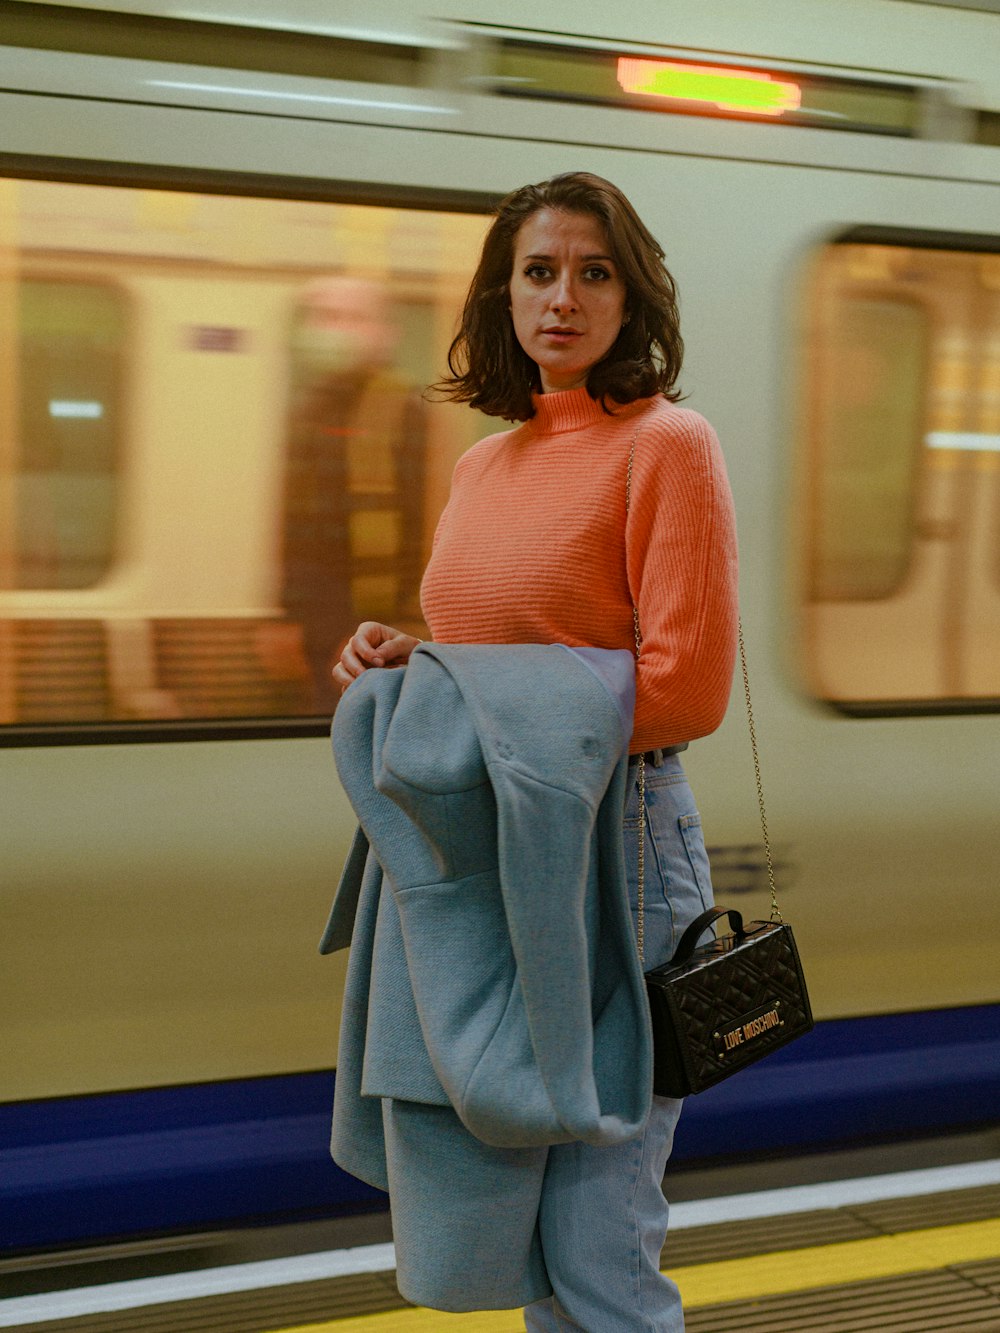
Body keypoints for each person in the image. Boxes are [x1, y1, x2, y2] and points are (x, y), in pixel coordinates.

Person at [332, 172, 738, 1332]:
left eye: (593, 272)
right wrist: (412, 664)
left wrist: (477, 701)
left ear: (632, 296)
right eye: (538, 272)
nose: (562, 298)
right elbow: (506, 663)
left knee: (595, 1242)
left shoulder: (668, 445)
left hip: (620, 849)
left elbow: (683, 689)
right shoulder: (483, 464)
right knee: (529, 1248)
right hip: (504, 852)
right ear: (502, 295)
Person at [265, 275, 427, 714]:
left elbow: (416, 527)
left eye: (350, 318)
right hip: (313, 620)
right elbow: (296, 525)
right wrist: (286, 620)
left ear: (384, 333)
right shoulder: (310, 407)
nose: (332, 330)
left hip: (371, 624)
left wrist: (376, 625)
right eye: (323, 317)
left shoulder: (404, 410)